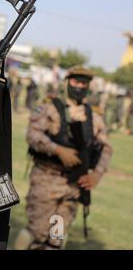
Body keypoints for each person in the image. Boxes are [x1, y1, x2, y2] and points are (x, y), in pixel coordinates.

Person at [14, 67, 113, 250]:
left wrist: (97, 174)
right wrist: (58, 150)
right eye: (76, 81)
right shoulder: (49, 108)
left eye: (84, 82)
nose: (79, 86)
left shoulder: (94, 116)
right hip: (46, 179)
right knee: (36, 231)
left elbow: (106, 148)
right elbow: (33, 135)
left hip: (73, 186)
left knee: (56, 236)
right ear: (67, 82)